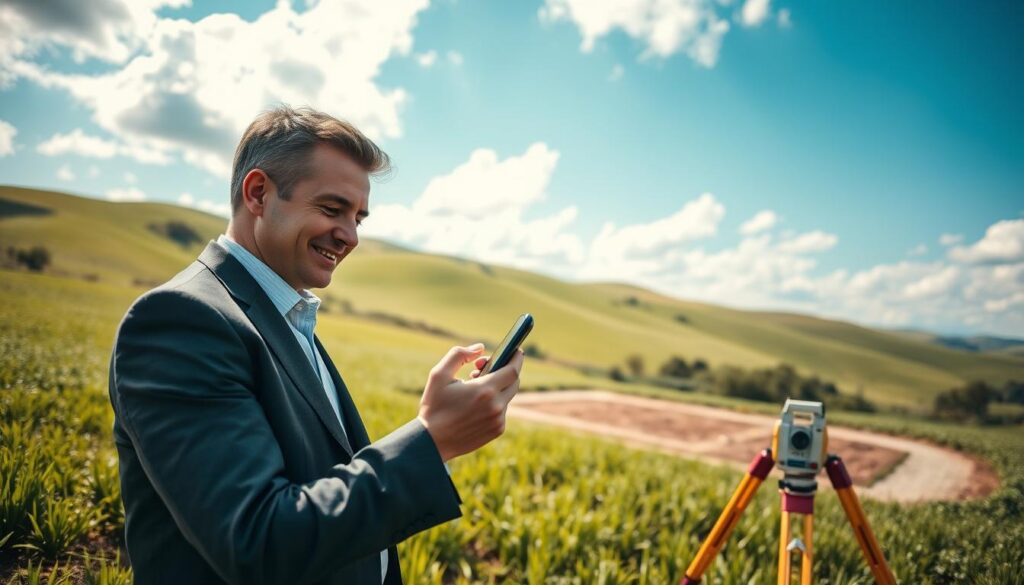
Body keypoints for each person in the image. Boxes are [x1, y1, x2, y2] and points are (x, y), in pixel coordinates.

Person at [107, 105, 524, 585]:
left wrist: (434, 437)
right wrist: (432, 440)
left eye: (358, 218)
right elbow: (258, 542)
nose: (349, 236)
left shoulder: (283, 314)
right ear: (259, 193)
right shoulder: (181, 321)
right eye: (332, 209)